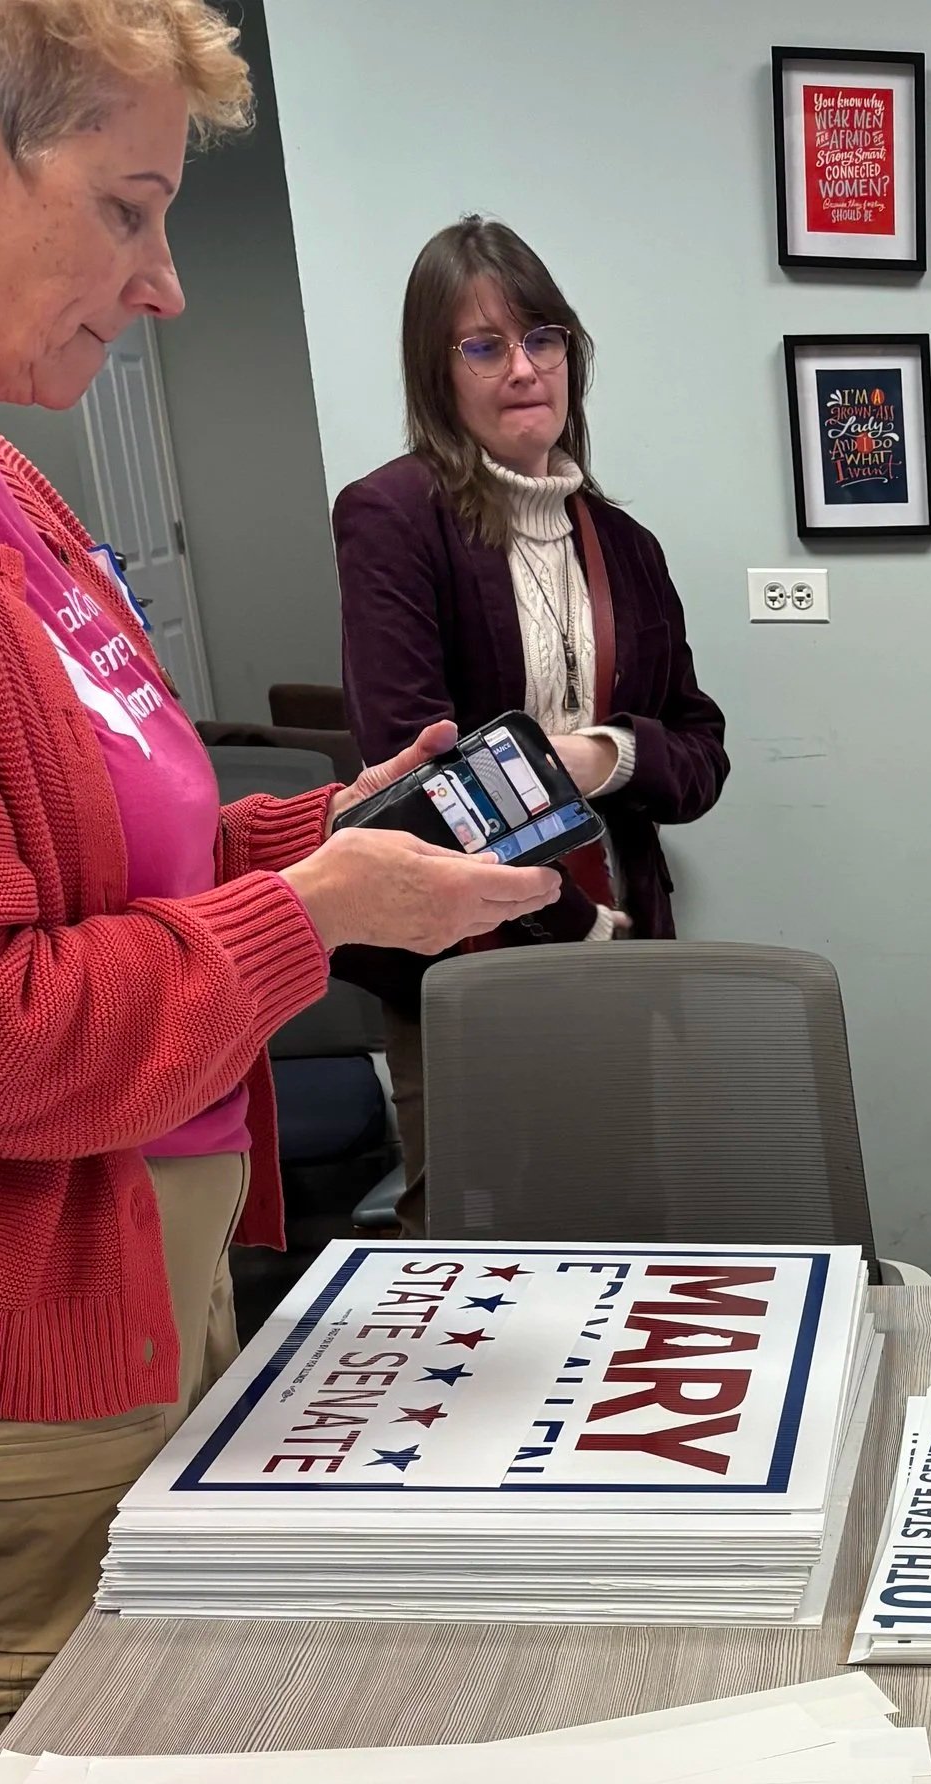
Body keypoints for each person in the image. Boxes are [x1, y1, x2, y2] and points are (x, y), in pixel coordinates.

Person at [0, 0, 557, 1756]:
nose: (166, 279)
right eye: (127, 207)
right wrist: (316, 912)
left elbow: (120, 856)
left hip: (145, 1256)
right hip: (15, 1314)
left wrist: (318, 835)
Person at [335, 218, 730, 1220]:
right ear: (439, 372)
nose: (523, 369)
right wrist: (574, 920)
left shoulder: (626, 546)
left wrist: (598, 757)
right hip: (463, 949)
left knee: (620, 1215)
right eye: (484, 346)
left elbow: (699, 757)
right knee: (476, 1241)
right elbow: (418, 775)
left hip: (619, 945)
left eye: (542, 340)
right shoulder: (393, 520)